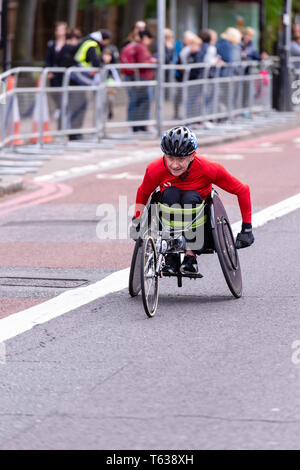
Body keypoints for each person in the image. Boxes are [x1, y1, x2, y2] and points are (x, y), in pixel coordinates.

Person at [130, 126, 254, 274]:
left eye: (181, 159)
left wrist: (247, 228)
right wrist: (137, 220)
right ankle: (170, 256)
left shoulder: (209, 168)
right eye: (170, 158)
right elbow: (143, 192)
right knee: (170, 193)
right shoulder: (155, 169)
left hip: (200, 224)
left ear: (192, 156)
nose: (174, 165)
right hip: (167, 218)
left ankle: (191, 256)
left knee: (190, 197)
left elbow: (242, 190)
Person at [45, 21, 67, 127]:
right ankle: (59, 109)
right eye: (58, 29)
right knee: (55, 94)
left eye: (62, 29)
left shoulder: (68, 43)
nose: (60, 31)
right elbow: (48, 59)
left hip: (64, 75)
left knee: (63, 96)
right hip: (54, 75)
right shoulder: (51, 44)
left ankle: (62, 115)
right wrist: (48, 70)